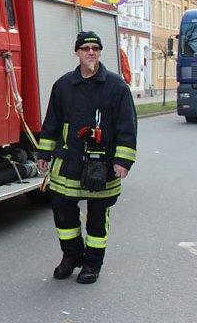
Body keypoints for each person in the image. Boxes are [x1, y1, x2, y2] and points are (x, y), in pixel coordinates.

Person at [36, 32, 137, 284]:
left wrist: (123, 161)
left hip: (102, 163)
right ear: (77, 53)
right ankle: (71, 257)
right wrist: (44, 153)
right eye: (85, 48)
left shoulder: (116, 87)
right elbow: (52, 122)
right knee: (62, 209)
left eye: (95, 48)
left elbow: (127, 127)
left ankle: (92, 264)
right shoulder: (63, 85)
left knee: (97, 217)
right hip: (68, 161)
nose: (91, 52)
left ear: (100, 52)